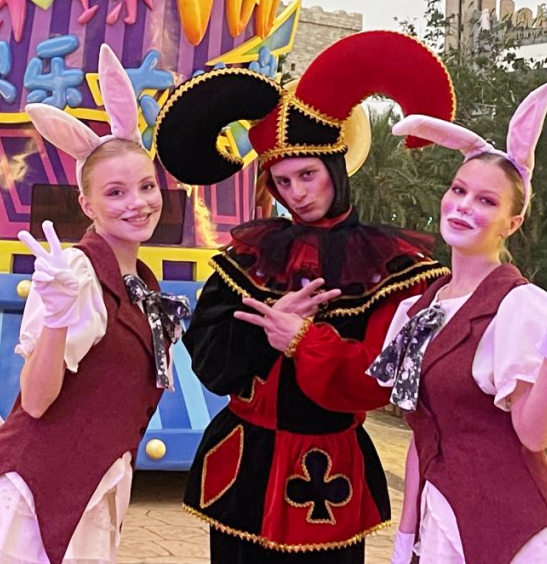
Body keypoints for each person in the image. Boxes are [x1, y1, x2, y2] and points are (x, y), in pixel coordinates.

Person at [154, 31, 457, 561]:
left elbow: (378, 381)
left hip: (330, 473)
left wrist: (302, 340)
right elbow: (208, 362)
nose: (297, 193)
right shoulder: (247, 257)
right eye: (283, 181)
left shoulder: (393, 268)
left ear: (336, 168)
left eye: (308, 174)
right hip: (243, 466)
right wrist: (265, 333)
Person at [0, 45, 189, 564]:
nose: (138, 203)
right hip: (31, 499)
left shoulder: (141, 281)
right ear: (87, 204)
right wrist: (58, 320)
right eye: (115, 193)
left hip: (89, 489)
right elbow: (38, 400)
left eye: (146, 186)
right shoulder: (76, 273)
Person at [371, 83, 547, 564]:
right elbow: (425, 437)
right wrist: (406, 535)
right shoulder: (420, 310)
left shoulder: (519, 307)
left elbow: (534, 437)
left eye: (487, 201)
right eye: (458, 190)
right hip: (442, 522)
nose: (464, 206)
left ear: (513, 222)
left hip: (515, 530)